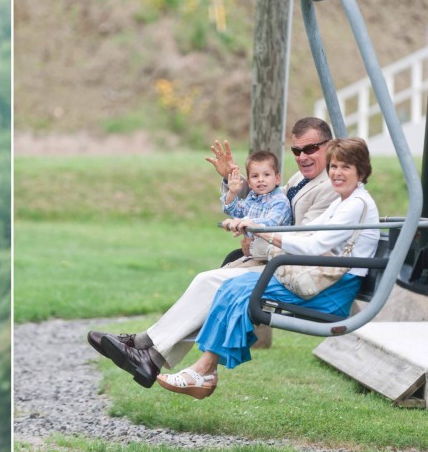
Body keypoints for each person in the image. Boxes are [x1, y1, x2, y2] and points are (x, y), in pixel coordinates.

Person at [87, 117, 338, 387]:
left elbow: (305, 241)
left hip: (296, 270)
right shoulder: (300, 178)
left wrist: (256, 241)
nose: (303, 157)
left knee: (210, 283)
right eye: (297, 151)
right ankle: (148, 354)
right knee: (207, 281)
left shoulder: (330, 186)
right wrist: (233, 179)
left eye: (310, 149)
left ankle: (146, 348)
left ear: (330, 146)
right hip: (275, 260)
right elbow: (270, 201)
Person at [155, 138, 379, 398]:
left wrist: (265, 234)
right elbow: (308, 234)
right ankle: (204, 371)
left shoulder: (356, 205)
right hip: (324, 279)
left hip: (332, 292)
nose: (337, 174)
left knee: (239, 290)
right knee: (232, 286)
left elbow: (315, 245)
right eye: (334, 167)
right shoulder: (342, 202)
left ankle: (203, 370)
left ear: (361, 171)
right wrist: (254, 227)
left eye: (346, 167)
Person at [221, 149, 291, 231]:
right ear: (249, 182)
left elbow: (271, 222)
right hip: (254, 243)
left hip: (273, 243)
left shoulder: (280, 201)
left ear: (277, 178)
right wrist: (232, 193)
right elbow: (233, 211)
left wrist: (243, 222)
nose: (260, 179)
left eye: (266, 175)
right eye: (255, 176)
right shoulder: (252, 198)